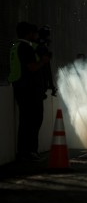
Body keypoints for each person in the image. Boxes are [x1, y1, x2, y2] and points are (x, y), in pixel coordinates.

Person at [8, 22, 52, 161]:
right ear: (29, 33)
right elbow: (32, 67)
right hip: (30, 90)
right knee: (34, 120)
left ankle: (24, 151)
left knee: (25, 121)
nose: (36, 36)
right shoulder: (26, 48)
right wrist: (43, 61)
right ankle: (30, 151)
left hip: (20, 87)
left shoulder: (15, 46)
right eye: (35, 33)